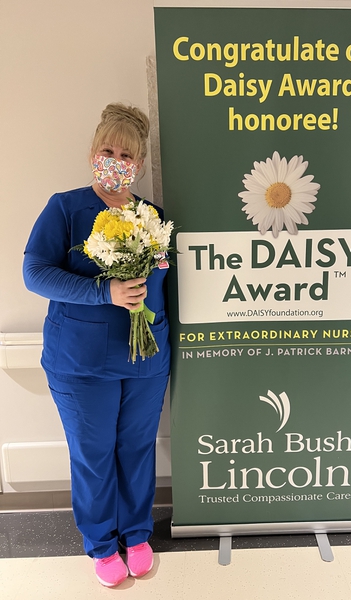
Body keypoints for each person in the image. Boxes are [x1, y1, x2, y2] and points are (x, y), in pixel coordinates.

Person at [23, 103, 170, 588]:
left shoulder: (153, 218)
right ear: (92, 155)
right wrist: (104, 291)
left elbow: (163, 285)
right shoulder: (65, 209)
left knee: (136, 448)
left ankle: (137, 533)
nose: (116, 161)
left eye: (126, 155)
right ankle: (103, 542)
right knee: (93, 452)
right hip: (81, 362)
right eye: (108, 151)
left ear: (140, 164)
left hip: (144, 359)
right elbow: (35, 273)